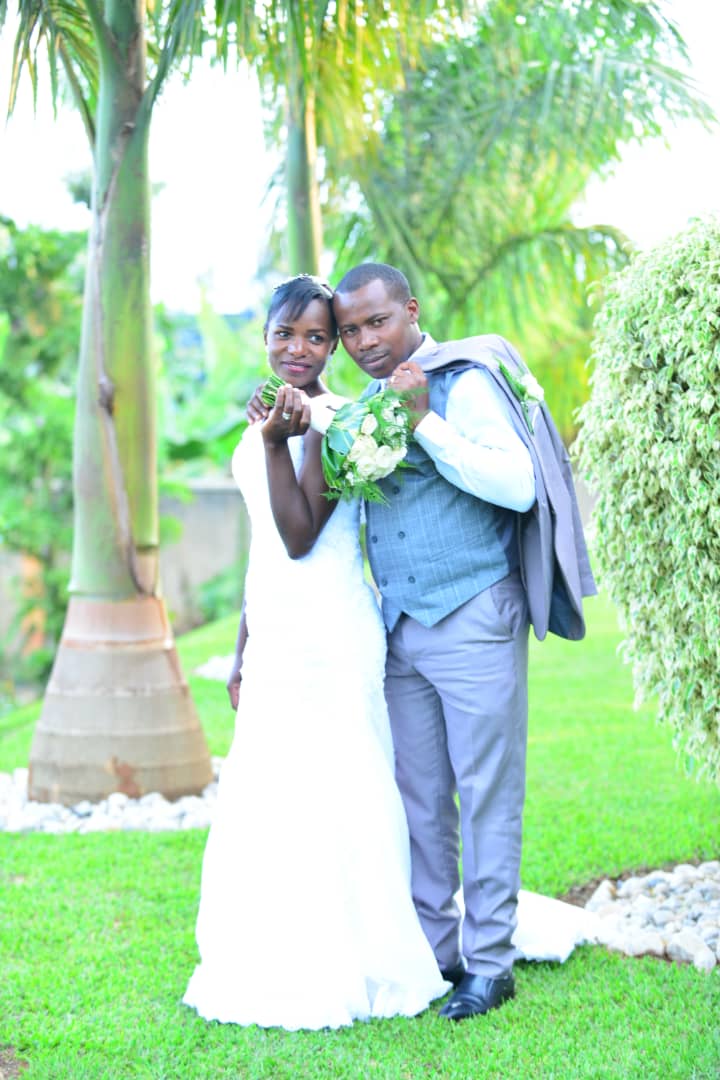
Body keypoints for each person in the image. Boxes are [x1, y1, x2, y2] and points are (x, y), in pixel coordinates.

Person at [327, 262, 596, 1021]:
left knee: (485, 795)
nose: (364, 340)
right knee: (420, 802)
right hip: (401, 629)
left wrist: (425, 424)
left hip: (476, 613)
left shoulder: (465, 382)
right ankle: (437, 951)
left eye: (377, 321)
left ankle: (490, 964)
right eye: (349, 331)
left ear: (411, 311)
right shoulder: (366, 406)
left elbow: (517, 485)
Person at [183, 274, 450, 1031]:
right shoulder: (269, 413)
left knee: (341, 783)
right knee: (274, 787)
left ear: (334, 347)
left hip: (330, 630)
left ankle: (360, 954)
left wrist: (279, 441)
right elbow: (264, 550)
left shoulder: (339, 421)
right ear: (264, 337)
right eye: (284, 334)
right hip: (276, 629)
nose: (297, 350)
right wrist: (241, 648)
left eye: (316, 337)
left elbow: (300, 534)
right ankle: (274, 949)